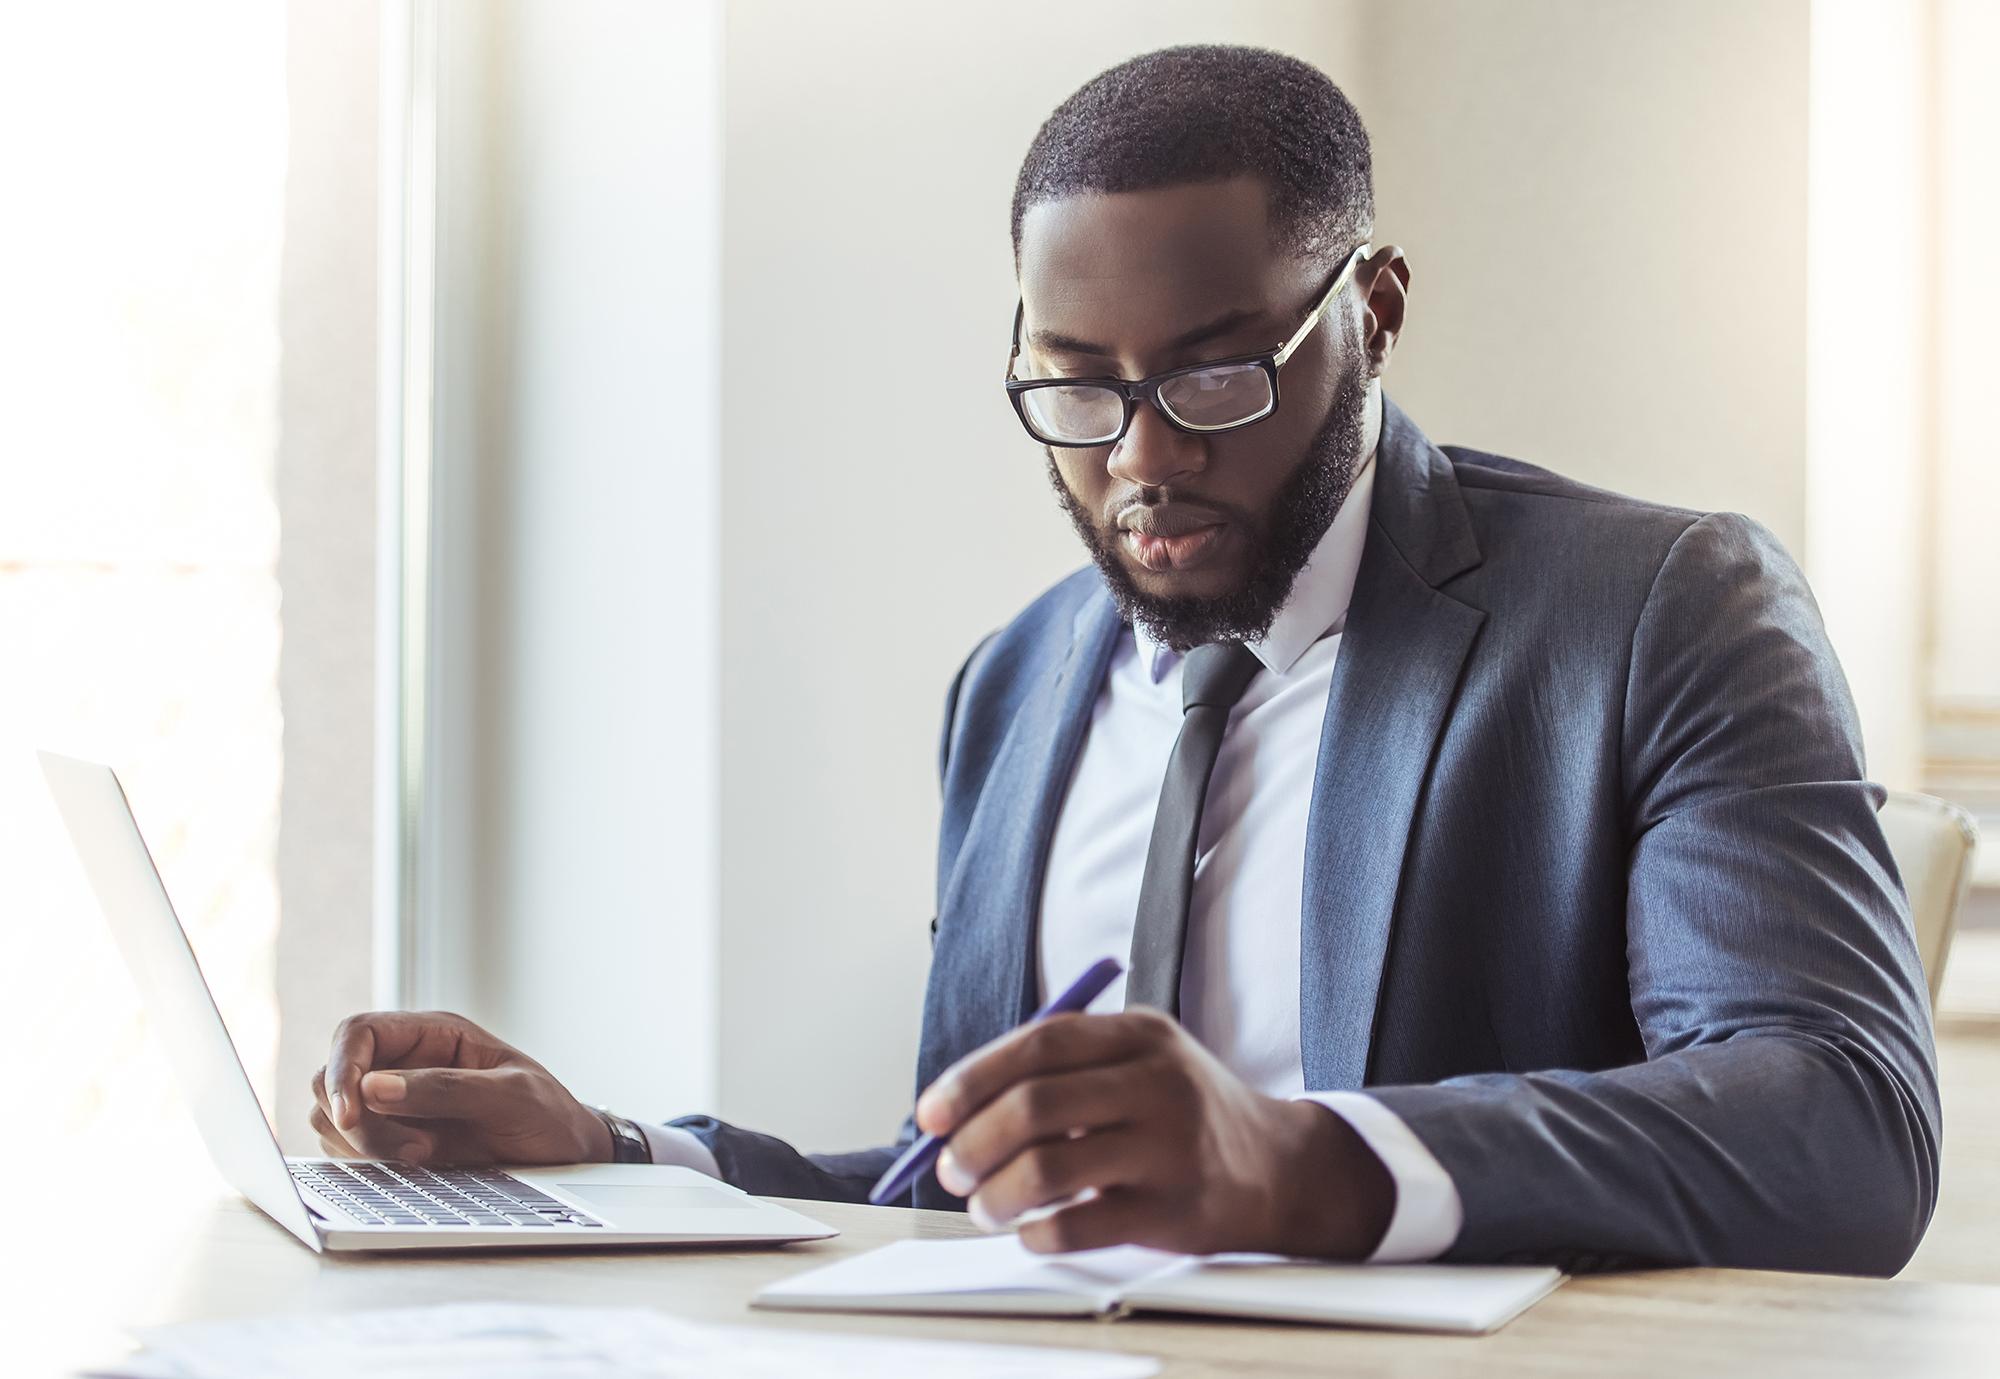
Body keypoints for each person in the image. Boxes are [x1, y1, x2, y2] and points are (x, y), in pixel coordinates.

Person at [309, 45, 1939, 1274]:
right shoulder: (1015, 684)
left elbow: (1842, 1121)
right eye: (1075, 389)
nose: (1143, 459)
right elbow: (955, 1184)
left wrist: (1302, 1164)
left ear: (1373, 310)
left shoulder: (1657, 610)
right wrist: (609, 1152)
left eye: (1217, 376)